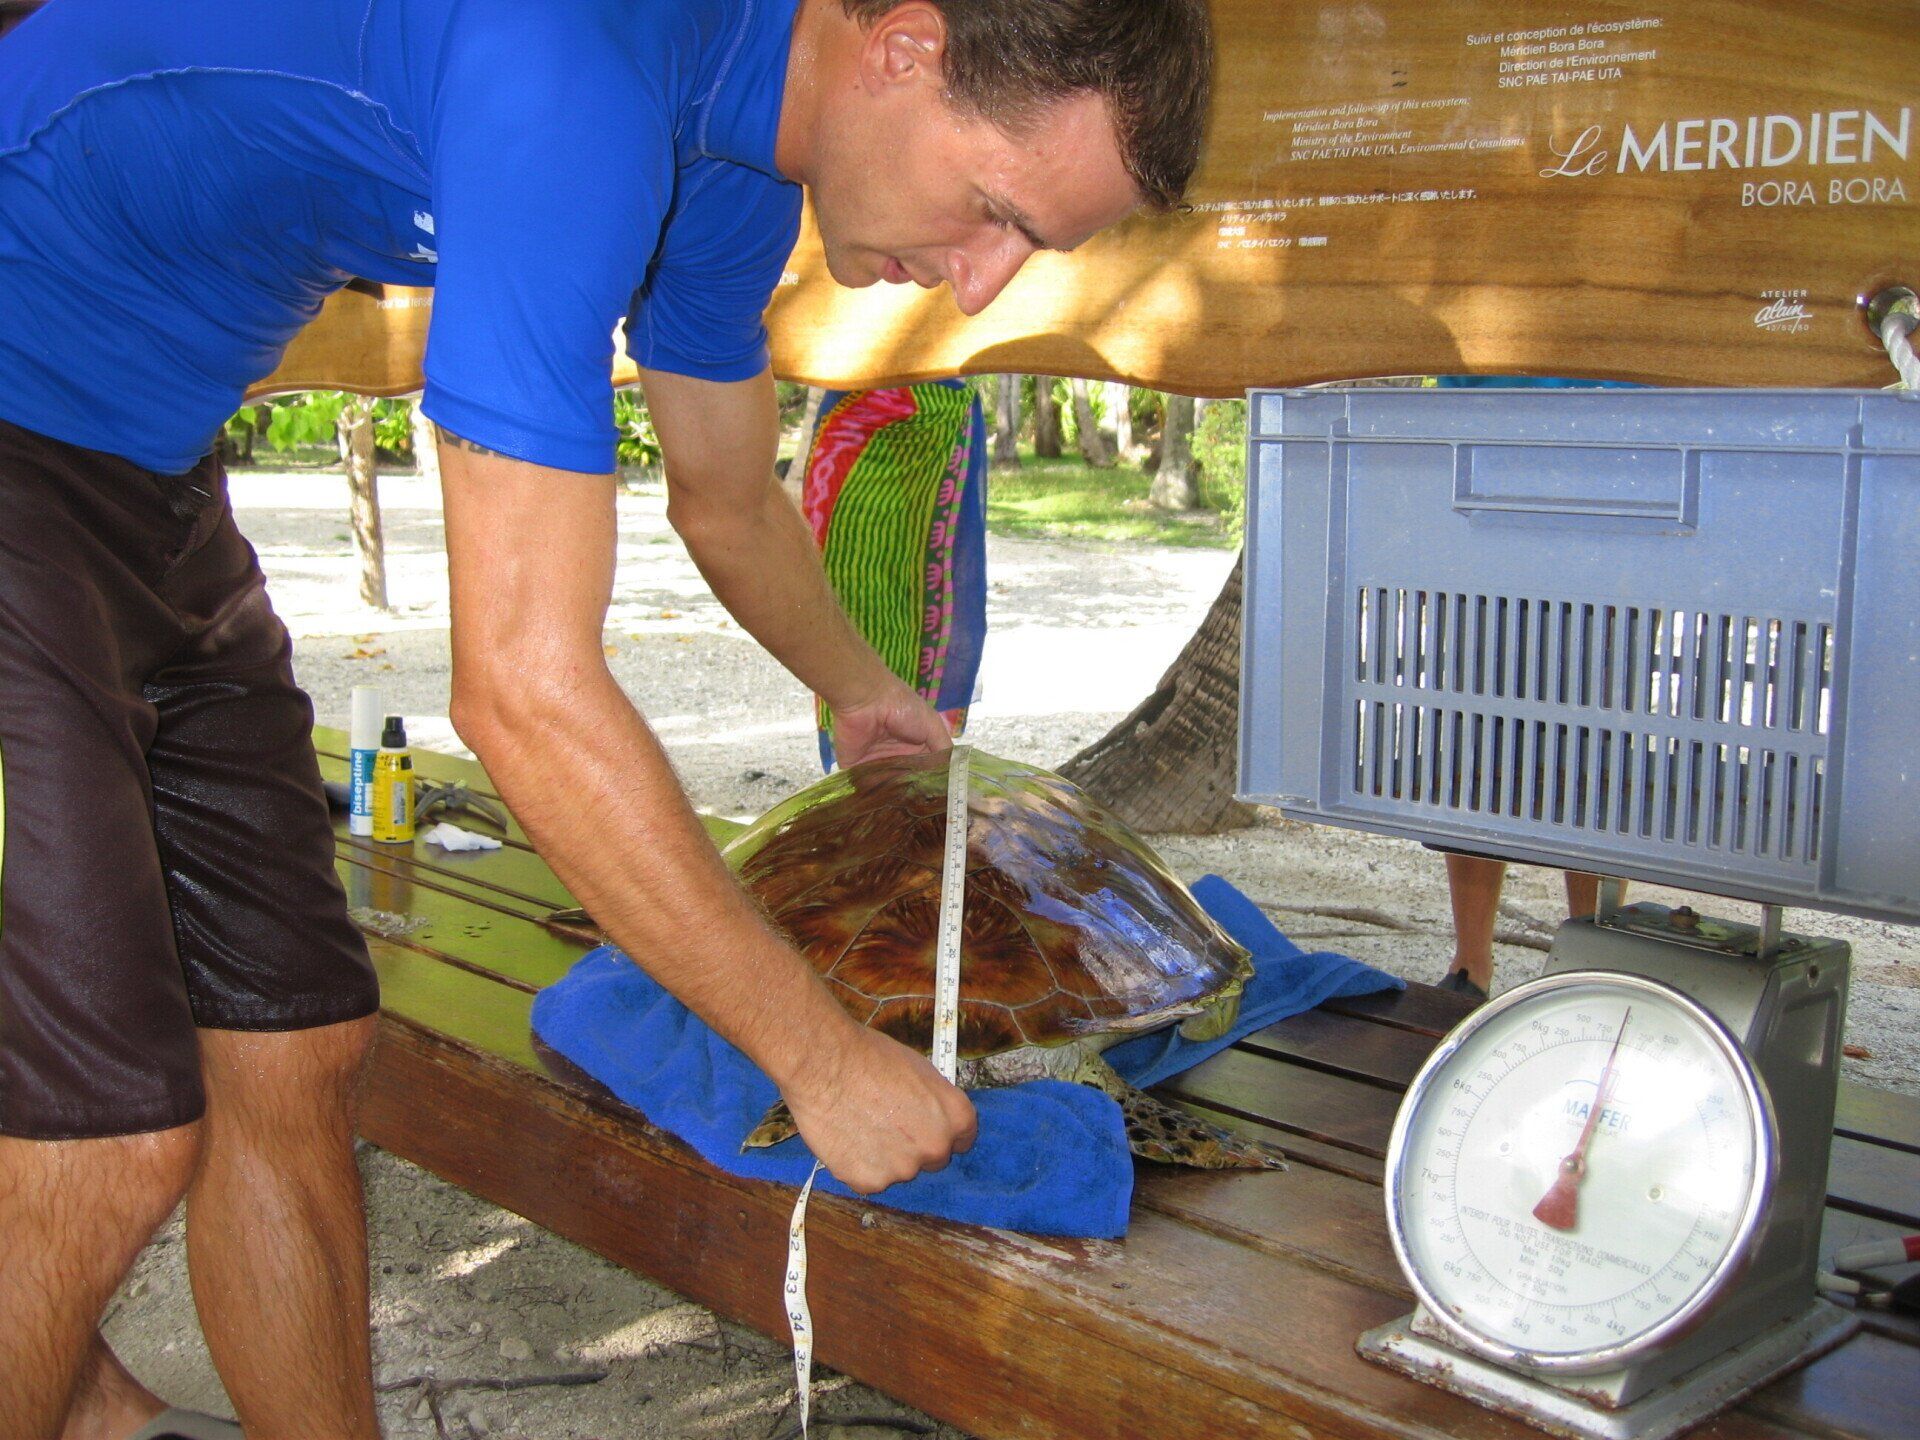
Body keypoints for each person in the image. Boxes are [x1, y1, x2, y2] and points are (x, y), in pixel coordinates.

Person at [0, 1, 1213, 1436]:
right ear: (906, 44)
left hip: (152, 481)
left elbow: (723, 490)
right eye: (997, 212)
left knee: (299, 1049)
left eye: (1035, 252)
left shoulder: (739, 160)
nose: (977, 288)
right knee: (114, 1140)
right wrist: (816, 1059)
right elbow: (520, 695)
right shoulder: (573, 71)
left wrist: (864, 693)